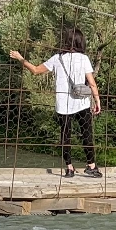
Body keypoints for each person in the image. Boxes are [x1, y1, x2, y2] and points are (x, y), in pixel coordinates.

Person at [9, 26, 103, 177]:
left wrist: (20, 58)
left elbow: (35, 70)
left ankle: (69, 168)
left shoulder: (57, 59)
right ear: (80, 42)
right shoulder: (84, 59)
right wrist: (97, 100)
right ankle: (91, 166)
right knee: (86, 134)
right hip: (82, 103)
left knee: (65, 135)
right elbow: (91, 83)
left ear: (66, 41)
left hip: (63, 105)